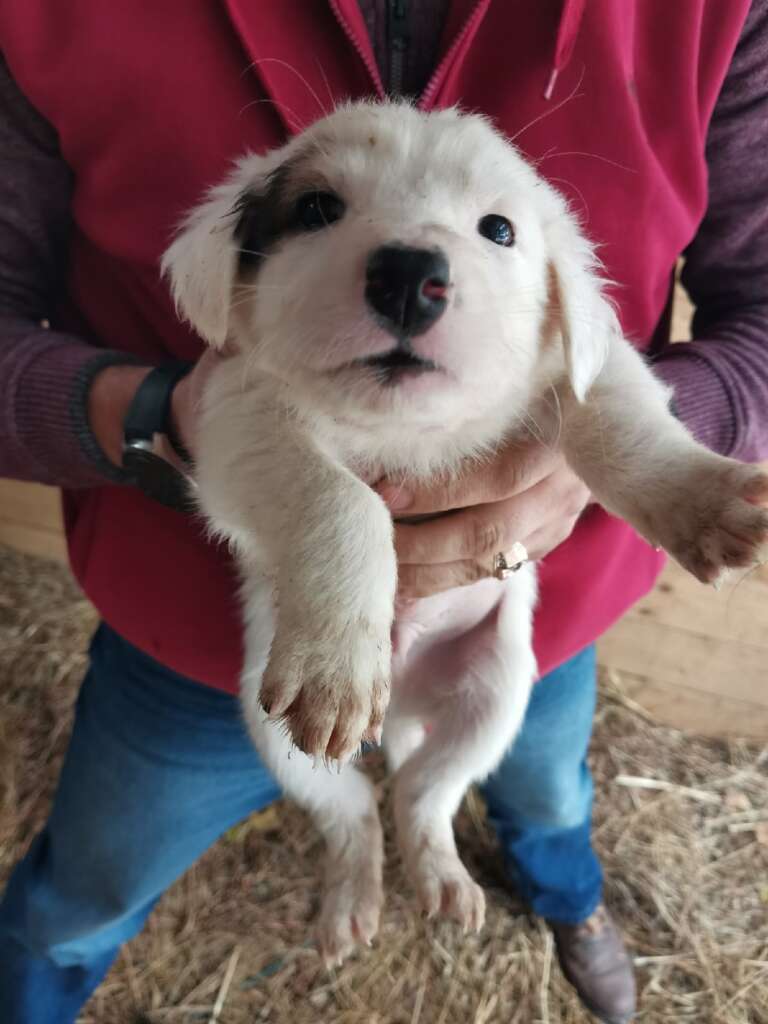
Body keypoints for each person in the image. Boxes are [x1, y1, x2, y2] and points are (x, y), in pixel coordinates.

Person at [0, 3, 766, 1022]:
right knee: (90, 882)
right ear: (230, 275)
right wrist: (152, 411)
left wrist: (663, 469)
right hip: (202, 633)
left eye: (495, 229)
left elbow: (605, 376)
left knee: (539, 783)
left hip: (534, 613)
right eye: (319, 209)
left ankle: (537, 878)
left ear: (554, 290)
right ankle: (341, 834)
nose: (413, 263)